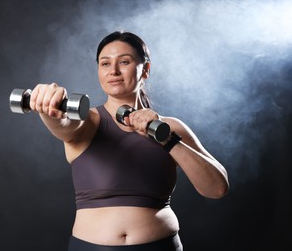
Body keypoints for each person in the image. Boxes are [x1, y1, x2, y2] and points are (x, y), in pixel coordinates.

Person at [28, 31, 229, 250]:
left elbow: (216, 188)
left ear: (146, 70)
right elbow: (64, 126)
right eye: (105, 64)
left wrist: (168, 140)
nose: (113, 71)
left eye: (124, 61)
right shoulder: (89, 121)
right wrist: (49, 111)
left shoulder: (170, 127)